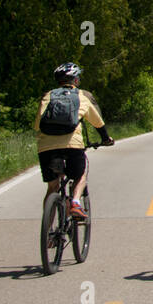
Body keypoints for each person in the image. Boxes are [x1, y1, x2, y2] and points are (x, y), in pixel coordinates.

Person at [36, 62, 114, 219]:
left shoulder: (48, 96)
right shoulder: (81, 96)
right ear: (76, 80)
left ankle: (49, 231)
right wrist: (106, 138)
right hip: (73, 145)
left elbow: (38, 124)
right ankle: (76, 203)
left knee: (52, 186)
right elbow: (98, 122)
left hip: (46, 146)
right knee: (80, 175)